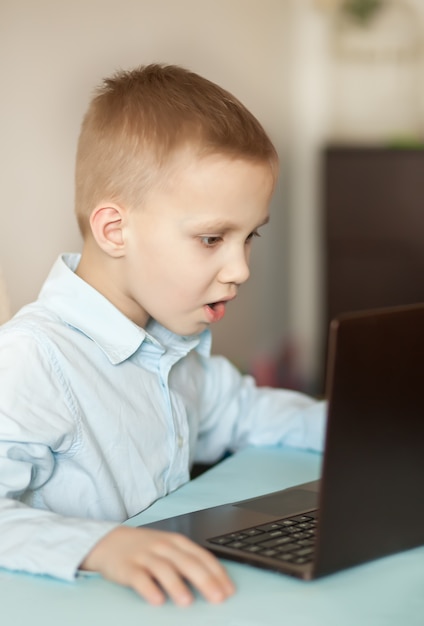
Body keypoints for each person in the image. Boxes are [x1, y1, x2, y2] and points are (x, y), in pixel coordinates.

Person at [0, 64, 326, 606]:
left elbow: (245, 412)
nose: (240, 269)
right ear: (115, 231)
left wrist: (369, 430)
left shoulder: (174, 345)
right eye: (212, 238)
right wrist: (100, 546)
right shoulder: (32, 359)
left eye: (249, 238)